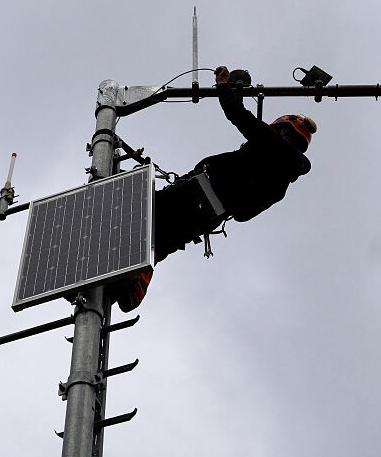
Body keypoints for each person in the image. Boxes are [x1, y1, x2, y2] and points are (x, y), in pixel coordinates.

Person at [111, 65, 317, 312]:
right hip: (207, 217)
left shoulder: (274, 145)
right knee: (159, 239)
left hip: (195, 194)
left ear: (283, 130)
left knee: (140, 211)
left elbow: (239, 115)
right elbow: (243, 215)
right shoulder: (282, 185)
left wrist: (224, 87)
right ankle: (131, 278)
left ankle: (128, 273)